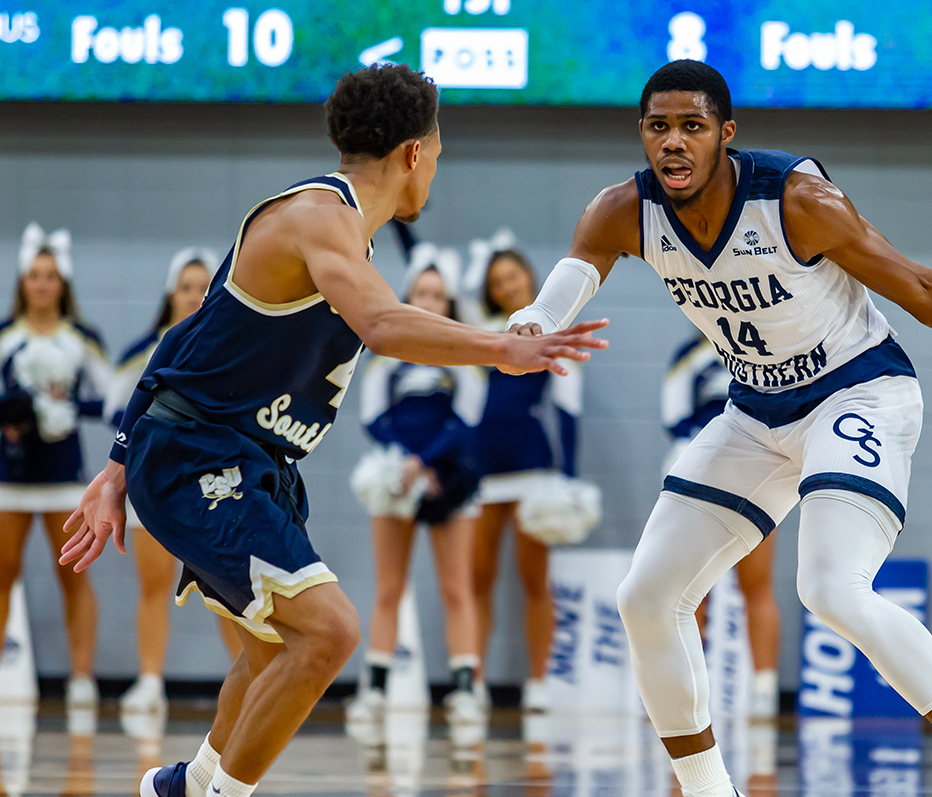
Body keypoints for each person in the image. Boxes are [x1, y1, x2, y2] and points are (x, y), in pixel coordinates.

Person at [504, 60, 932, 797]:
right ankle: (709, 791)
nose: (673, 142)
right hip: (757, 409)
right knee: (646, 597)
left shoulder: (798, 200)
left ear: (725, 134)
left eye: (692, 126)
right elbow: (577, 270)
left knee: (830, 587)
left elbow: (920, 288)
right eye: (658, 127)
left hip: (858, 391)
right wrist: (536, 320)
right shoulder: (621, 210)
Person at [58, 63, 606, 797]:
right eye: (437, 153)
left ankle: (186, 785)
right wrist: (500, 347)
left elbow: (185, 339)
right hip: (199, 454)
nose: (435, 168)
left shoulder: (337, 230)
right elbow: (380, 323)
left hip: (245, 459)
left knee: (269, 650)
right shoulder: (318, 215)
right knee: (330, 632)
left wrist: (116, 463)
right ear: (414, 152)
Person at [346, 241, 485, 729]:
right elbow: (373, 417)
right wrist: (405, 461)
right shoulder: (385, 354)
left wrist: (426, 464)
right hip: (395, 479)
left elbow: (466, 421)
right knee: (389, 588)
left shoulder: (465, 354)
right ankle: (375, 691)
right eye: (421, 293)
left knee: (456, 587)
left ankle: (465, 690)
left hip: (449, 481)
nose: (429, 302)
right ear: (407, 297)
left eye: (437, 295)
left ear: (450, 302)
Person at [107, 248, 244, 715]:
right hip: (154, 483)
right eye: (186, 287)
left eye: (204, 288)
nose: (195, 296)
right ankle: (150, 682)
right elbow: (115, 408)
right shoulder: (147, 350)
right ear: (170, 293)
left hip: (212, 487)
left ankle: (248, 681)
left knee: (226, 591)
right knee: (154, 585)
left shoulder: (229, 347)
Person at [466, 244, 582, 713]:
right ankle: (471, 681)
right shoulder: (482, 330)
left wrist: (569, 479)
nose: (506, 286)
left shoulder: (552, 333)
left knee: (535, 579)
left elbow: (569, 409)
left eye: (512, 276)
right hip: (483, 467)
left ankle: (539, 682)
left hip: (532, 465)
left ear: (529, 275)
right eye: (497, 282)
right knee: (478, 578)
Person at [0, 222, 109, 713]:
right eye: (34, 275)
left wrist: (70, 410)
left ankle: (82, 678)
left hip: (65, 476)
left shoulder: (82, 338)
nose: (42, 284)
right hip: (10, 477)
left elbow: (113, 400)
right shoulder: (6, 337)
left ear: (62, 283)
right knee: (3, 573)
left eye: (50, 276)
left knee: (74, 574)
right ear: (22, 282)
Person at [665, 332, 781, 719]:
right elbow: (674, 420)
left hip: (759, 474)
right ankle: (686, 694)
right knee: (690, 591)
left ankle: (764, 692)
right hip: (701, 475)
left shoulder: (771, 344)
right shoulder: (689, 354)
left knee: (757, 585)